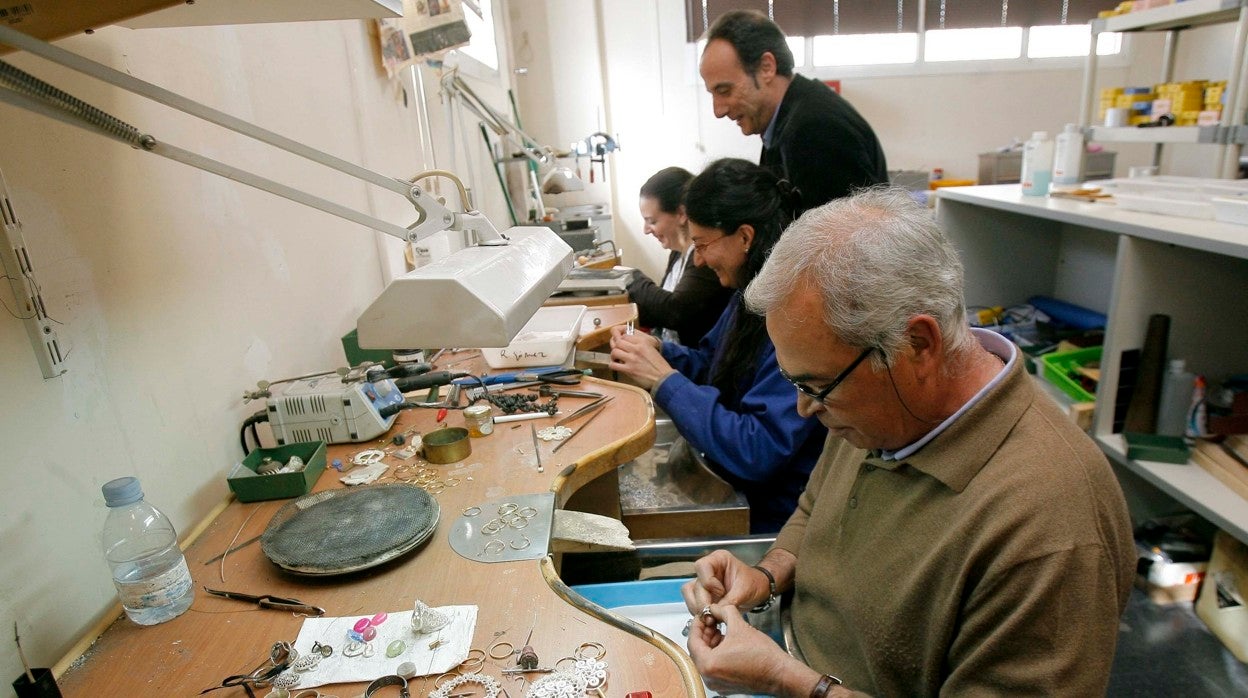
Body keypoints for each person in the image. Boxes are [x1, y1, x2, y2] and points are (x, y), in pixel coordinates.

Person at [680, 188, 1136, 697]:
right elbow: (816, 510)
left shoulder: (1051, 530)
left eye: (816, 386)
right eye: (796, 383)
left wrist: (787, 680)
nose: (805, 408)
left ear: (918, 344)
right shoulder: (879, 406)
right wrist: (767, 576)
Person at [609, 158, 826, 534]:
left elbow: (758, 449)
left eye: (702, 245)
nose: (699, 259)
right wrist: (660, 352)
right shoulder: (747, 294)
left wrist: (665, 382)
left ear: (744, 237)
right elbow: (712, 362)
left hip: (776, 518)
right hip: (740, 488)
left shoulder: (796, 317)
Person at [699, 10, 888, 213]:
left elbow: (842, 230)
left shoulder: (815, 129)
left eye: (724, 91)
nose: (718, 110)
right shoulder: (786, 119)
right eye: (713, 94)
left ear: (766, 68)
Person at [625, 166, 733, 346]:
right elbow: (660, 311)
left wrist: (631, 278)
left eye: (652, 221)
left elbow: (676, 311)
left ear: (682, 214)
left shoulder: (704, 259)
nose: (646, 230)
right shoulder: (677, 253)